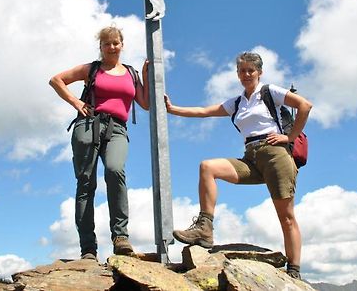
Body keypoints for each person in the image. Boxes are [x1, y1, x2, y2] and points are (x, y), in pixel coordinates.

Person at [164, 51, 312, 280]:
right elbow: (205, 111)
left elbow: (304, 105)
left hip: (275, 155)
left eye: (250, 70)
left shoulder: (269, 92)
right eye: (242, 71)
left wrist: (290, 137)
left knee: (286, 216)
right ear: (238, 73)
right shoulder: (237, 102)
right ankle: (205, 228)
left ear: (259, 72)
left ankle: (294, 270)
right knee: (208, 167)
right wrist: (173, 109)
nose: (246, 74)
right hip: (250, 158)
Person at [49, 26, 149, 261]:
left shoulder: (131, 74)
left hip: (117, 129)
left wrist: (145, 76)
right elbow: (56, 80)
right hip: (88, 125)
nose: (112, 47)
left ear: (122, 44)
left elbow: (145, 104)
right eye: (107, 44)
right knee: (86, 184)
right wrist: (75, 102)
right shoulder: (91, 69)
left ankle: (120, 237)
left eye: (116, 43)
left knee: (115, 171)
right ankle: (88, 249)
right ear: (101, 47)